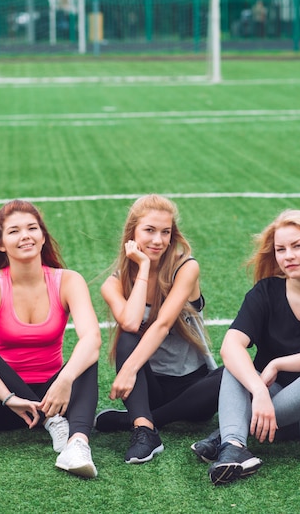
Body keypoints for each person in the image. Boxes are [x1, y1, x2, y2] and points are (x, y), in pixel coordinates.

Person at [192, 209, 300, 485]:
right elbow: (231, 345)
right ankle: (234, 448)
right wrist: (259, 389)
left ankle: (227, 434)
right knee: (236, 367)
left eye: (298, 246)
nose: (289, 255)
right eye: (281, 249)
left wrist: (277, 364)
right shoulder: (266, 291)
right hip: (281, 413)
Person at [0, 200, 101, 478]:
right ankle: (52, 421)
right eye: (14, 231)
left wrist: (65, 380)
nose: (25, 236)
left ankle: (77, 444)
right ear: (1, 244)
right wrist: (8, 397)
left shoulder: (68, 281)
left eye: (32, 228)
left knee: (87, 353)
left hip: (55, 399)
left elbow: (92, 337)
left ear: (43, 237)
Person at [95, 194, 222, 464]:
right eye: (149, 230)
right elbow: (129, 323)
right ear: (132, 233)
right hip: (148, 386)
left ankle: (140, 421)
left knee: (231, 374)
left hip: (193, 386)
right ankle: (145, 431)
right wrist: (142, 267)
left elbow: (163, 324)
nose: (158, 240)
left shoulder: (186, 267)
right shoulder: (113, 284)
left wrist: (127, 370)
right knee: (128, 337)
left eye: (165, 232)